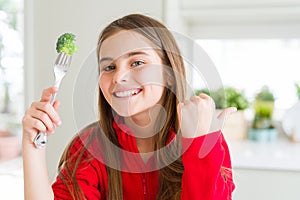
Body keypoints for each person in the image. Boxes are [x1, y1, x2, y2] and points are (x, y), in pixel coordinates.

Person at [22, 14, 236, 200]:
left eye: (137, 63)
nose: (119, 77)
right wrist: (32, 144)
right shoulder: (90, 146)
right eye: (109, 67)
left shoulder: (205, 138)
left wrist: (198, 144)